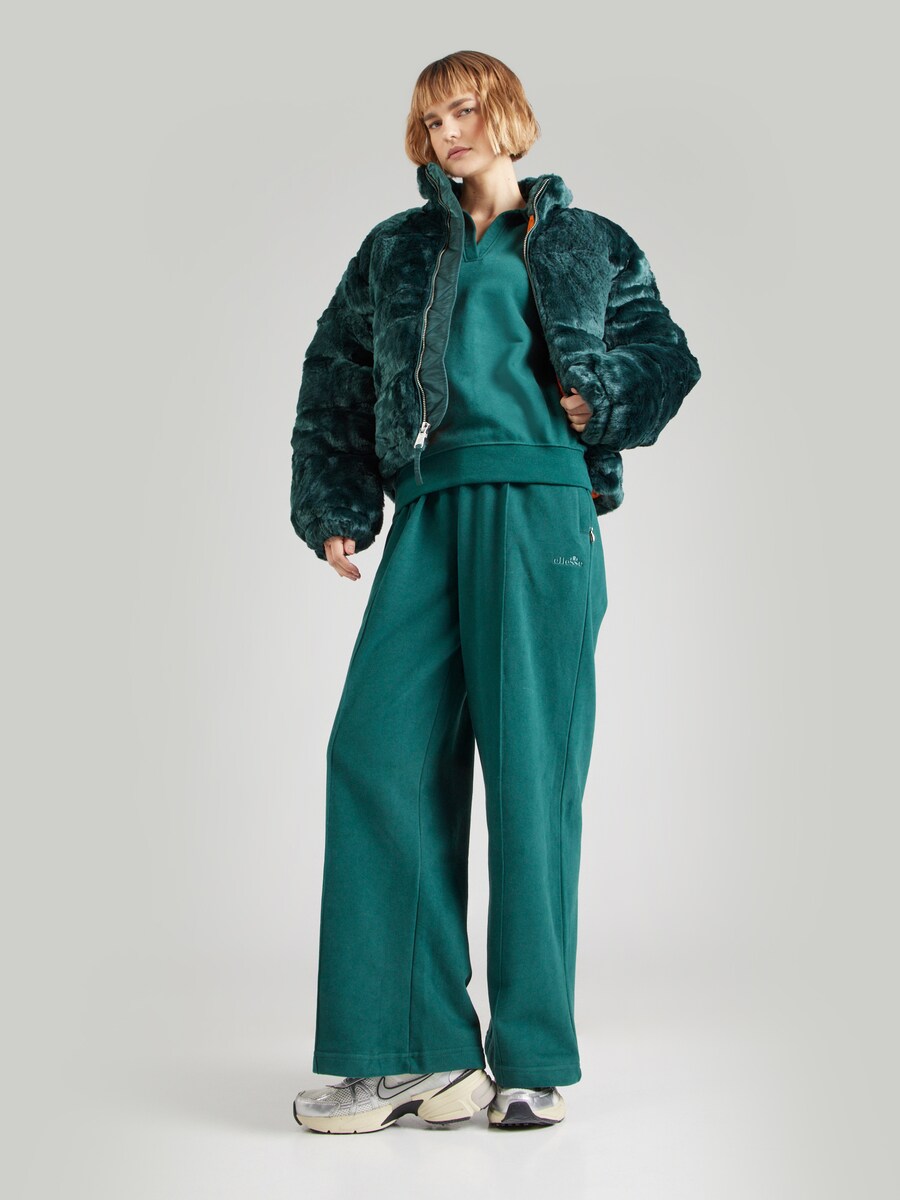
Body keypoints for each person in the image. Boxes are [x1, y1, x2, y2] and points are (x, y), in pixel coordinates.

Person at [290, 50, 701, 1134]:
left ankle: (530, 1060)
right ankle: (420, 1056)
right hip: (430, 510)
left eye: (465, 109)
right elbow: (335, 372)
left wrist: (603, 396)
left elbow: (665, 355)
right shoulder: (394, 249)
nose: (448, 132)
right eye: (432, 120)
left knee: (531, 776)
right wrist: (336, 500)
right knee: (376, 754)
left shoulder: (585, 241)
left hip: (542, 509)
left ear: (507, 114)